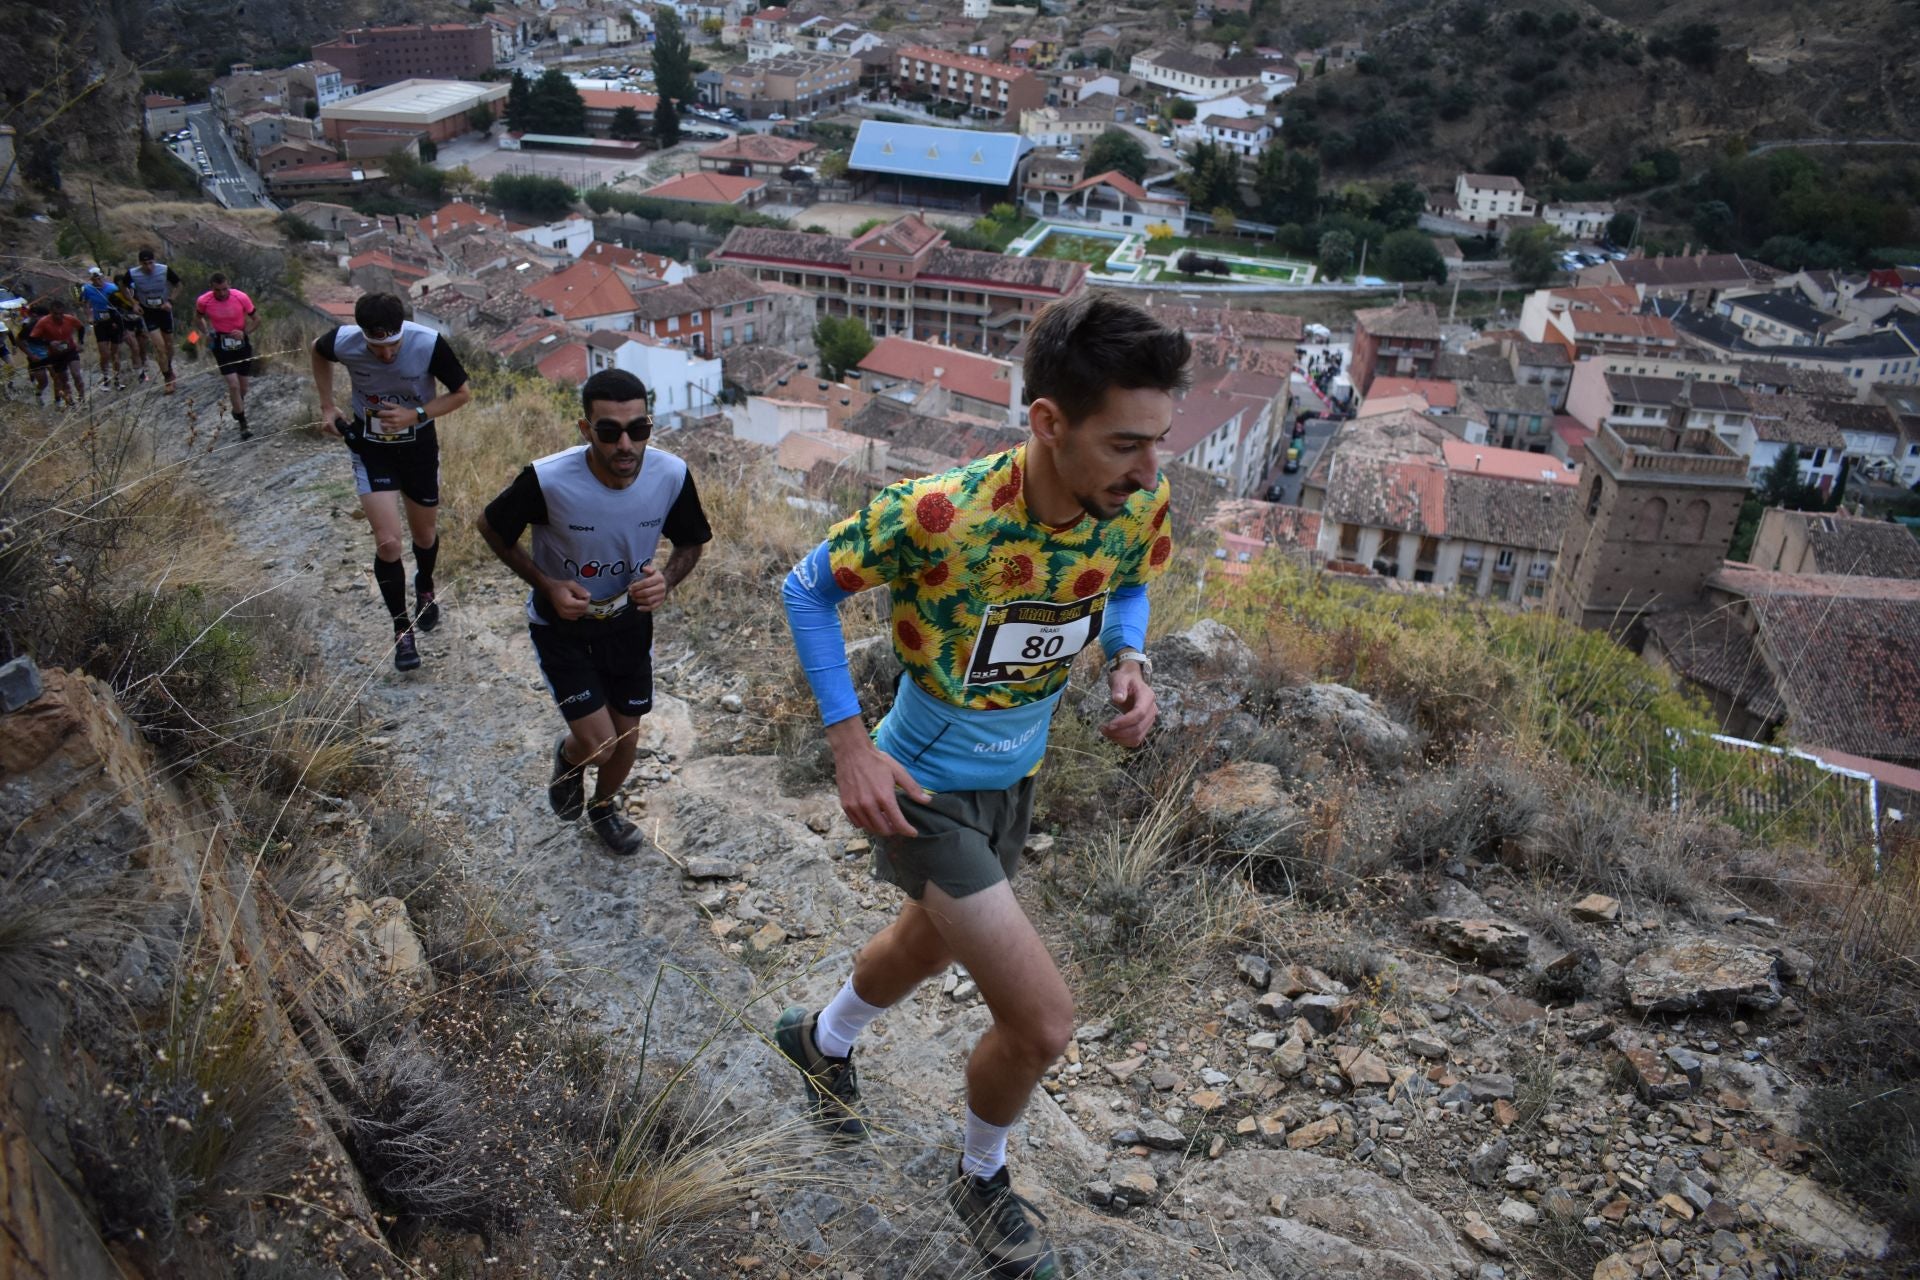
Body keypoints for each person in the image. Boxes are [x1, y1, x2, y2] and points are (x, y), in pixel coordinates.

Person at [774, 292, 1188, 1280]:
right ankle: (980, 1172)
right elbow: (806, 586)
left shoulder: (1132, 498)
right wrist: (850, 746)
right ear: (1048, 422)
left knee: (927, 938)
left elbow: (1128, 575)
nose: (1150, 470)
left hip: (1021, 773)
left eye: (1157, 443)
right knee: (1041, 1020)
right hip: (923, 781)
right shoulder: (938, 514)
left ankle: (819, 1039)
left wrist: (1129, 659)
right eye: (1127, 443)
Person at [476, 369, 711, 857]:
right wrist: (547, 583)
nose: (625, 444)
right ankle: (567, 758)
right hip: (562, 625)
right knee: (599, 743)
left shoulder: (670, 474)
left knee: (627, 737)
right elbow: (491, 526)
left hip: (628, 623)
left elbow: (691, 541)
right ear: (586, 429)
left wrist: (664, 581)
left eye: (638, 428)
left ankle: (603, 807)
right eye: (609, 431)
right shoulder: (548, 478)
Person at [310, 292, 473, 671]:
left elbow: (462, 394)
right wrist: (327, 405)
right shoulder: (345, 341)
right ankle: (403, 631)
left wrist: (416, 414)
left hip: (418, 449)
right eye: (375, 347)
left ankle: (426, 586)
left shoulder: (428, 343)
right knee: (388, 544)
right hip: (371, 448)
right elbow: (316, 351)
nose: (385, 355)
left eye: (393, 346)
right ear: (363, 335)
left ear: (403, 332)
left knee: (424, 537)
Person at [196, 273, 257, 439]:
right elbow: (198, 318)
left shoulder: (241, 297)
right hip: (220, 344)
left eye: (224, 289)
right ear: (211, 287)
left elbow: (256, 319)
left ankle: (238, 409)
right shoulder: (204, 301)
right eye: (218, 290)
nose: (222, 293)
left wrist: (244, 332)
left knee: (243, 387)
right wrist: (206, 332)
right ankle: (243, 425)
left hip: (241, 343)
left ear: (229, 284)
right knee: (233, 385)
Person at [122, 247, 181, 393]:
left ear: (154, 261)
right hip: (148, 311)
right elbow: (122, 286)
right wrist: (133, 303)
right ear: (140, 263)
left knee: (169, 345)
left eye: (150, 263)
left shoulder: (164, 270)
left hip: (164, 310)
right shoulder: (133, 273)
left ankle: (169, 367)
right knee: (159, 347)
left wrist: (171, 301)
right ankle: (167, 378)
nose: (148, 267)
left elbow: (179, 284)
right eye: (145, 264)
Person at [30, 297, 88, 410]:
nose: (58, 316)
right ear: (51, 313)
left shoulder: (70, 319)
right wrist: (49, 342)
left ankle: (82, 399)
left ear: (64, 312)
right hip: (55, 355)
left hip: (70, 350)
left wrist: (80, 342)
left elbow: (81, 328)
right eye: (55, 314)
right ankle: (71, 403)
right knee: (64, 379)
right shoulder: (43, 322)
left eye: (61, 314)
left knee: (76, 374)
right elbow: (33, 338)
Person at [80, 266, 127, 391]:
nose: (97, 280)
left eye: (99, 277)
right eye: (94, 278)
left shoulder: (112, 288)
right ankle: (106, 378)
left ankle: (117, 379)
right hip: (100, 323)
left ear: (102, 277)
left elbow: (122, 302)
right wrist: (89, 316)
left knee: (115, 353)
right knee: (104, 353)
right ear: (91, 279)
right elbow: (85, 303)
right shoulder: (88, 289)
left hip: (114, 322)